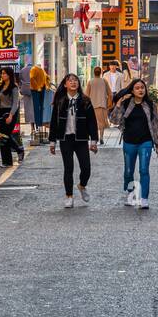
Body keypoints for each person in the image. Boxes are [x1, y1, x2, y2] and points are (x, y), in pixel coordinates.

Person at [110, 78, 158, 209]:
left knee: (144, 170)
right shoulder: (126, 104)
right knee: (129, 171)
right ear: (132, 91)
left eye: (142, 87)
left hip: (145, 142)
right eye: (137, 88)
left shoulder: (150, 105)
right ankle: (131, 194)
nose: (141, 90)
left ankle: (144, 198)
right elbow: (114, 120)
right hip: (129, 142)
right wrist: (118, 104)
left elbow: (156, 124)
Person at [49, 73, 98, 208]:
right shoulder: (60, 101)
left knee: (86, 168)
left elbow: (92, 122)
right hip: (66, 139)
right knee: (68, 168)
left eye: (75, 80)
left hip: (81, 139)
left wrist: (94, 141)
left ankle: (82, 186)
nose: (73, 82)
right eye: (70, 80)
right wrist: (52, 142)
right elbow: (54, 122)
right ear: (65, 84)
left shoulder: (85, 100)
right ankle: (69, 196)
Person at [0, 66, 23, 166]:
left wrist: (11, 115)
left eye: (4, 73)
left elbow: (15, 103)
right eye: (1, 73)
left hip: (10, 112)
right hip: (1, 113)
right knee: (2, 137)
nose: (2, 75)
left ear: (9, 75)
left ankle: (18, 149)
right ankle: (7, 161)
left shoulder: (14, 87)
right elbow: (0, 99)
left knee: (5, 135)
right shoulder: (1, 86)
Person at [87, 66, 113, 145]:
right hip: (102, 105)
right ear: (101, 72)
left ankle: (94, 137)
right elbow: (110, 94)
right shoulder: (104, 81)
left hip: (92, 106)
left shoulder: (90, 82)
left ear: (93, 72)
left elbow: (86, 95)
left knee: (92, 122)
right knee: (101, 123)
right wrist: (109, 103)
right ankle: (101, 137)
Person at [29, 63, 48, 137]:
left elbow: (31, 78)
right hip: (41, 88)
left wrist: (37, 87)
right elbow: (47, 78)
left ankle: (38, 126)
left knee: (37, 108)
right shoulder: (42, 70)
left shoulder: (34, 69)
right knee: (40, 108)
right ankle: (39, 126)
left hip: (36, 89)